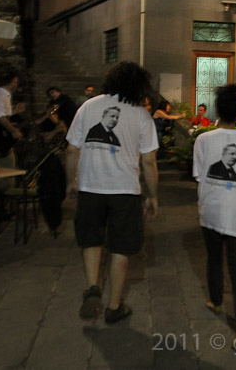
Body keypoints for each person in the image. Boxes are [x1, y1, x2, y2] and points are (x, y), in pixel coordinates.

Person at [65, 61, 159, 324]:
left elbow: (71, 150)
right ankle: (114, 306)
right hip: (125, 190)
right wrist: (153, 196)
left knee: (91, 240)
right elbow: (149, 161)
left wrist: (71, 182)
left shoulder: (88, 106)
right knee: (121, 248)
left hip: (90, 187)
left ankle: (93, 286)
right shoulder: (141, 115)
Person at [193, 84, 236, 349]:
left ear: (217, 112)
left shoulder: (203, 140)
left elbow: (198, 176)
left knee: (214, 259)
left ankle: (216, 301)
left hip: (212, 209)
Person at [0, 69, 26, 218]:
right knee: (5, 175)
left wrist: (14, 112)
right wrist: (13, 130)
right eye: (15, 82)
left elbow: (4, 116)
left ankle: (4, 208)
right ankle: (2, 209)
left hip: (3, 142)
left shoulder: (4, 96)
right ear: (11, 82)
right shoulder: (0, 95)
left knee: (7, 173)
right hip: (0, 142)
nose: (16, 84)